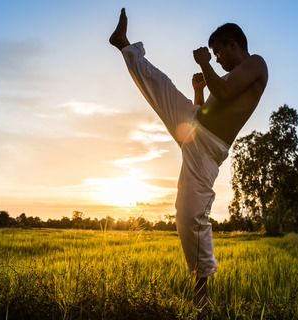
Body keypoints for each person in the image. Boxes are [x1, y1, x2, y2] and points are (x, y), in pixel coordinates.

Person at [110, 8, 268, 312]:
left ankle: (201, 295)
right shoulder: (228, 75)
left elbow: (222, 93)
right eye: (214, 55)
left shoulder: (256, 64)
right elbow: (211, 105)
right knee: (159, 85)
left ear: (233, 44)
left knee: (188, 216)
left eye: (218, 52)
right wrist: (198, 91)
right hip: (194, 127)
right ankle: (124, 44)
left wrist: (205, 65)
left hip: (208, 152)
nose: (217, 59)